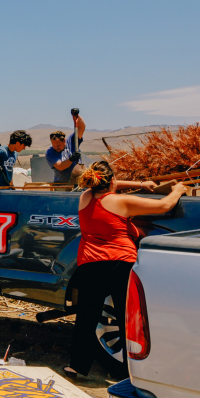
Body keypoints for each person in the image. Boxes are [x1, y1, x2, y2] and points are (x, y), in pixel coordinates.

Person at [66, 160, 181, 380]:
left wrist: (140, 184)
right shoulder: (123, 203)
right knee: (127, 318)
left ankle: (77, 367)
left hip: (90, 264)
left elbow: (107, 187)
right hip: (120, 263)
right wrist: (178, 189)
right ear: (112, 181)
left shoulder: (85, 198)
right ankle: (133, 371)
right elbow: (165, 206)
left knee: (87, 317)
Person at [46, 109, 86, 185]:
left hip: (78, 183)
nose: (56, 147)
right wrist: (71, 159)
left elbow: (81, 127)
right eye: (53, 145)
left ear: (64, 141)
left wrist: (76, 116)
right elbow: (60, 166)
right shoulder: (50, 152)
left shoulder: (71, 141)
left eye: (58, 145)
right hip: (62, 184)